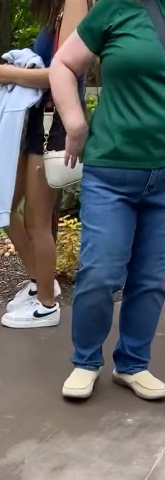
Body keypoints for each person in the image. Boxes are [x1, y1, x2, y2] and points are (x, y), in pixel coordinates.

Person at [50, 0, 165, 401]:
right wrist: (75, 123)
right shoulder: (119, 9)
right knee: (99, 272)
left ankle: (133, 364)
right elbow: (62, 64)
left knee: (152, 279)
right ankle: (86, 360)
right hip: (112, 170)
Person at [0, 0, 88, 329]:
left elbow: (64, 73)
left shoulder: (76, 3)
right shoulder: (56, 9)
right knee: (4, 205)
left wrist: (12, 74)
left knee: (37, 221)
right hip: (38, 119)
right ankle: (40, 281)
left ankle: (48, 304)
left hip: (57, 122)